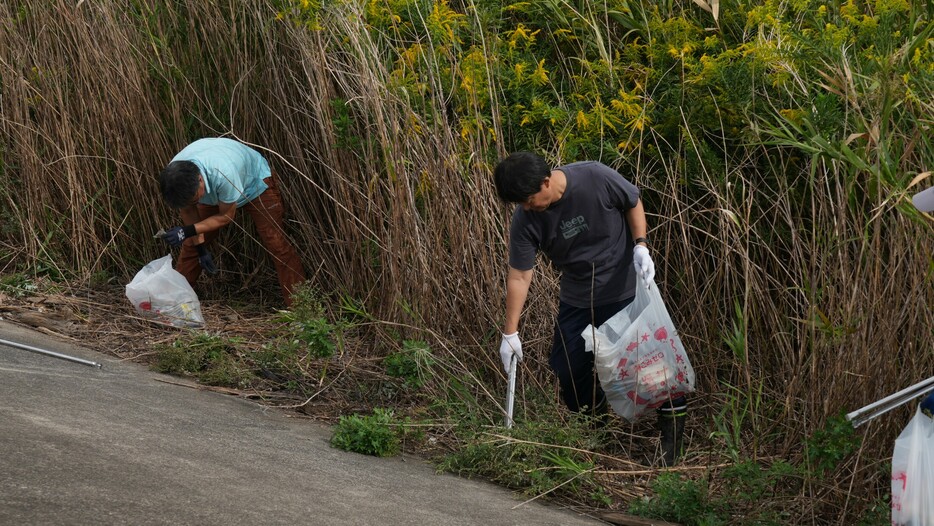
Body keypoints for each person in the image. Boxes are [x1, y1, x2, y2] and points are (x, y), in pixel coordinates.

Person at [493, 151, 687, 466]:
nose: (527, 207)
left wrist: (641, 244)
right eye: (521, 204)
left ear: (546, 182)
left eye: (529, 199)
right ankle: (595, 432)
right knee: (569, 369)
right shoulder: (526, 218)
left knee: (652, 363)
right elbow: (519, 274)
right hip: (577, 296)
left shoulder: (594, 177)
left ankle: (673, 436)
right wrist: (510, 332)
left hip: (623, 287)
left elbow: (632, 200)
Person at [157, 137, 306, 307]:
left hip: (255, 185)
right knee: (191, 245)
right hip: (215, 192)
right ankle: (174, 304)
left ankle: (301, 308)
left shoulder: (222, 173)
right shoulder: (175, 178)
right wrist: (200, 248)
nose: (193, 203)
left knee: (276, 244)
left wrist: (187, 231)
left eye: (194, 199)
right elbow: (189, 210)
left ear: (199, 179)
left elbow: (225, 216)